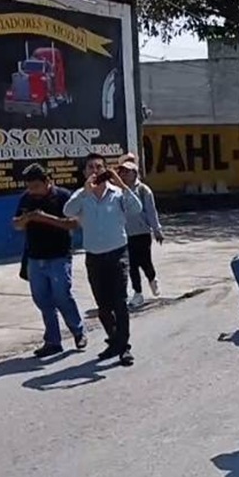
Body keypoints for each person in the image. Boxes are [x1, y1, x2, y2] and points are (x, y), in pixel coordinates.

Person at [64, 152, 143, 366]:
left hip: (118, 253)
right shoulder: (82, 196)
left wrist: (121, 184)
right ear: (85, 172)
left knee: (120, 302)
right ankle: (115, 341)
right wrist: (84, 192)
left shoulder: (117, 194)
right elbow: (67, 211)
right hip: (94, 257)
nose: (95, 171)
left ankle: (123, 347)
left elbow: (137, 209)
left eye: (99, 167)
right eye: (90, 167)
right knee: (103, 306)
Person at [13, 163, 87, 358]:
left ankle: (78, 331)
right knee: (43, 301)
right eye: (29, 187)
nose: (33, 191)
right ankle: (52, 341)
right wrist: (27, 218)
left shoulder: (63, 196)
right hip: (35, 258)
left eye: (36, 186)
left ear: (48, 182)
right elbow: (17, 225)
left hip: (59, 256)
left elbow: (74, 223)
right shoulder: (26, 199)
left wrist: (45, 218)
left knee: (62, 296)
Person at [117, 158, 164, 308]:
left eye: (127, 171)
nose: (124, 174)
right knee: (132, 265)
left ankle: (152, 278)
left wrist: (157, 229)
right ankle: (138, 293)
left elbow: (151, 211)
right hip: (125, 234)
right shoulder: (119, 191)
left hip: (142, 232)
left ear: (134, 173)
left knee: (145, 262)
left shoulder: (143, 190)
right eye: (122, 171)